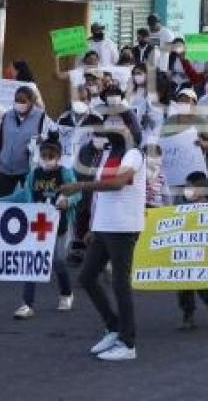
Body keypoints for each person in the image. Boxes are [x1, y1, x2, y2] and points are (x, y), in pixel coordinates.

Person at [61, 126, 146, 362]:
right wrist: (93, 227)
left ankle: (128, 343)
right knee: (87, 278)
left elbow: (118, 183)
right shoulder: (108, 154)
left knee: (120, 283)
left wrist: (79, 186)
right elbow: (101, 195)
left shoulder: (134, 154)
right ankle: (114, 327)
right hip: (105, 226)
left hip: (123, 226)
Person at [0, 132, 79, 319]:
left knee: (58, 261)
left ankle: (66, 293)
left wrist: (69, 201)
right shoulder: (33, 175)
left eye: (51, 157)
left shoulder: (65, 173)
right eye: (44, 156)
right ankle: (27, 304)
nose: (47, 160)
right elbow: (19, 197)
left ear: (58, 157)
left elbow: (77, 193)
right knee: (32, 261)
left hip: (59, 224)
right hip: (36, 225)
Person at [175, 171, 208, 330]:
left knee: (202, 285)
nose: (186, 190)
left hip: (202, 254)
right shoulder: (180, 206)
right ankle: (188, 316)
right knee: (183, 287)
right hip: (183, 254)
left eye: (189, 187)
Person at [0, 86, 51, 196]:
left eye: (23, 101)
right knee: (3, 201)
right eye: (17, 100)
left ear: (31, 102)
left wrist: (42, 139)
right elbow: (0, 138)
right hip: (5, 169)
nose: (19, 103)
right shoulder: (7, 115)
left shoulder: (41, 117)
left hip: (26, 171)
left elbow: (49, 137)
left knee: (26, 201)